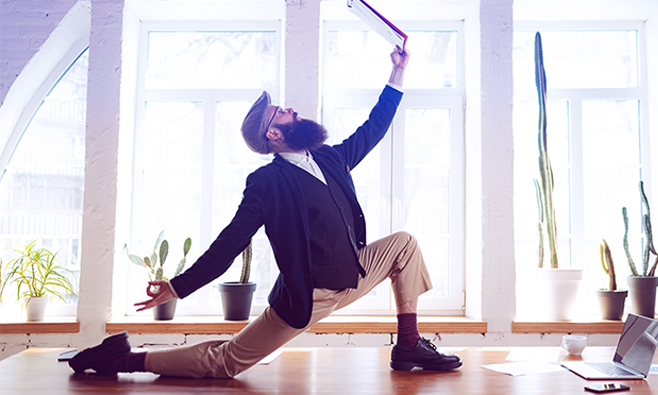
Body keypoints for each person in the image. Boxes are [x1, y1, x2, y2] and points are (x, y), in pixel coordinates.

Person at [68, 46, 462, 378]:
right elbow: (230, 242)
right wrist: (179, 286)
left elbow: (372, 128)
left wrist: (397, 73)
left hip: (354, 273)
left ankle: (408, 346)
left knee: (404, 244)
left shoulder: (328, 158)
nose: (291, 109)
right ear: (273, 134)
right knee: (226, 362)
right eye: (281, 112)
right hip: (311, 296)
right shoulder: (267, 183)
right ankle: (120, 359)